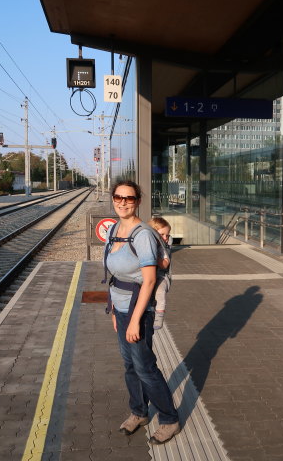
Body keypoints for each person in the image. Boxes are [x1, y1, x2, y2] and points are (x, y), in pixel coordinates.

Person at [104, 180, 180, 444]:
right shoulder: (114, 229)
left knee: (145, 367)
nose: (123, 202)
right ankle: (139, 412)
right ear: (113, 198)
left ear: (138, 201)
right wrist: (115, 311)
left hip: (139, 311)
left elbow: (148, 280)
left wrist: (135, 320)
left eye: (129, 198)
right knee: (130, 366)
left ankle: (169, 419)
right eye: (118, 197)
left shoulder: (144, 234)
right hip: (122, 309)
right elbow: (113, 274)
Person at [147, 216, 172, 330]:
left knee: (160, 292)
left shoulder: (163, 248)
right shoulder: (147, 244)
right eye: (162, 234)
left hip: (161, 277)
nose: (165, 238)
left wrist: (154, 257)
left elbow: (165, 263)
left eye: (167, 235)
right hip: (148, 277)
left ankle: (159, 315)